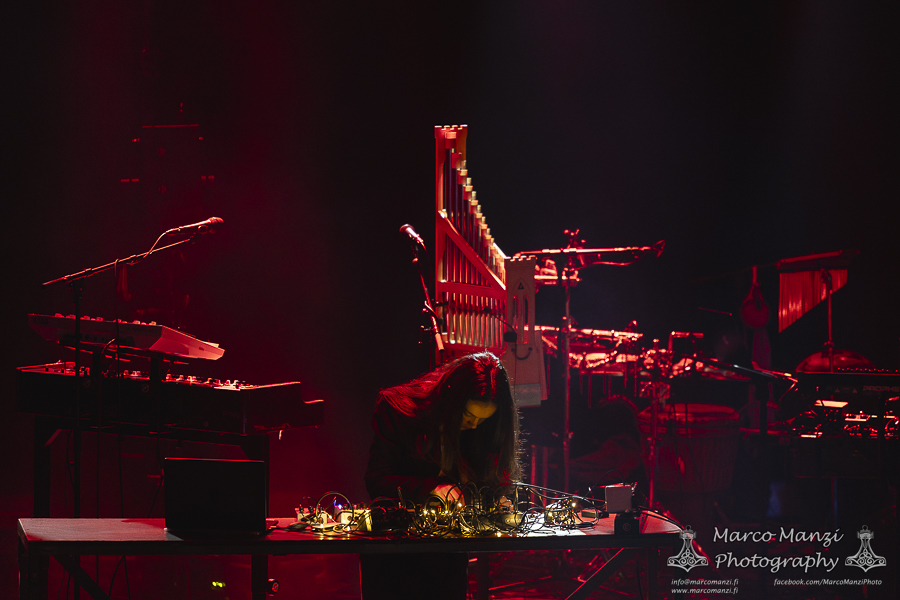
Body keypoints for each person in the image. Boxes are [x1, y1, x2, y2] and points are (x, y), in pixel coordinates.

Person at [360, 352, 522, 600]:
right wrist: (433, 490)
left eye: (482, 420)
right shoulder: (396, 409)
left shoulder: (483, 430)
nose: (474, 425)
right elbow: (377, 480)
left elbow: (489, 482)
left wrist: (493, 499)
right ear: (450, 399)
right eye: (468, 416)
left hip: (447, 554)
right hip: (392, 549)